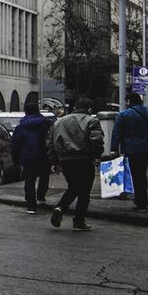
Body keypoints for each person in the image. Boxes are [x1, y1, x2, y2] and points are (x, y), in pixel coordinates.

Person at [47, 97, 103, 232]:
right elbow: (96, 140)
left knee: (74, 186)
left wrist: (54, 161)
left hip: (65, 160)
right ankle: (78, 220)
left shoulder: (59, 122)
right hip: (84, 159)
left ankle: (60, 208)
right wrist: (96, 156)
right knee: (84, 191)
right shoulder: (92, 120)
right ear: (89, 109)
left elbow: (50, 143)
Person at [111, 91, 148, 212]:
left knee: (137, 175)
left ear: (128, 101)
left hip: (132, 149)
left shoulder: (124, 115)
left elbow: (117, 133)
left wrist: (113, 148)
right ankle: (141, 200)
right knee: (141, 173)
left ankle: (141, 203)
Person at [10, 100, 52, 213]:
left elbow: (15, 145)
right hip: (44, 155)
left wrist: (16, 160)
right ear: (38, 111)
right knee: (45, 176)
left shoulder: (21, 127)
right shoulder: (46, 124)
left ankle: (31, 206)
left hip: (27, 156)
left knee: (29, 180)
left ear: (25, 112)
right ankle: (41, 195)